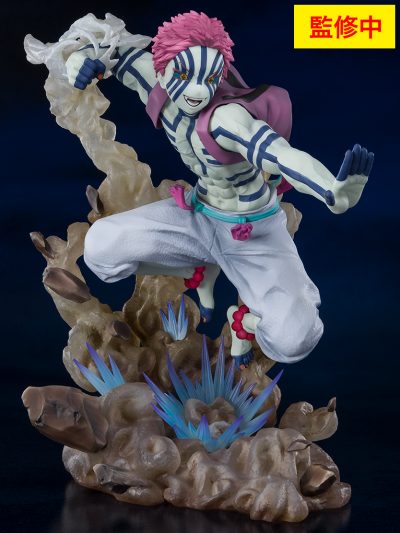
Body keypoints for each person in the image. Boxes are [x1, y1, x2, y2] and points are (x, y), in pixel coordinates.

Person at [62, 11, 373, 369]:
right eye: (184, 75)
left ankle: (244, 322)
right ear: (163, 68)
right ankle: (192, 271)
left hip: (252, 233)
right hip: (198, 215)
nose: (198, 90)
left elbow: (281, 155)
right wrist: (78, 60)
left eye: (209, 78)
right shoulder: (154, 79)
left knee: (295, 339)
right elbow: (108, 50)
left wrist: (330, 189)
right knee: (100, 248)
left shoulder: (226, 120)